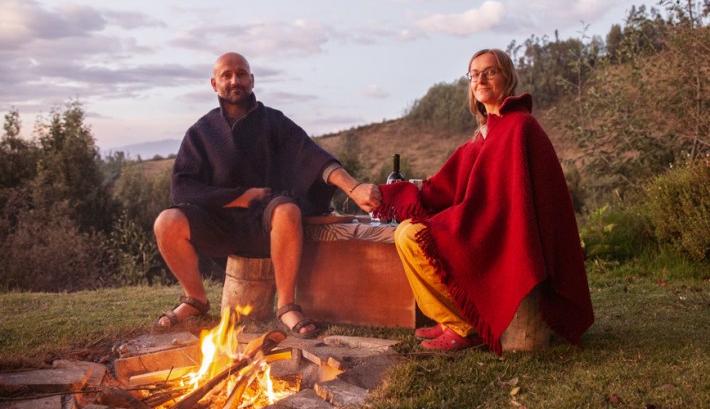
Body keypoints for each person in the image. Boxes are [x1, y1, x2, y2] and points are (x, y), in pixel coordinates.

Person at [374, 49, 594, 354]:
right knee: (406, 232)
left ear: (508, 77)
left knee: (413, 236)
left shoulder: (519, 126)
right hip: (487, 224)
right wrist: (387, 195)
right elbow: (443, 186)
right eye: (474, 74)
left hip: (503, 232)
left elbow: (510, 203)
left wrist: (460, 221)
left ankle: (466, 327)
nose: (480, 79)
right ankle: (451, 318)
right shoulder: (487, 132)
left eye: (490, 72)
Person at [153, 52, 381, 337]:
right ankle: (195, 299)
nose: (235, 80)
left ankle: (286, 306)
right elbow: (183, 188)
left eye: (242, 73)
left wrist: (354, 188)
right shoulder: (201, 132)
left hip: (268, 222)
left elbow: (314, 158)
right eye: (227, 75)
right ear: (214, 84)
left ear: (252, 79)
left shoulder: (274, 122)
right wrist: (239, 197)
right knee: (166, 221)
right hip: (220, 224)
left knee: (288, 210)